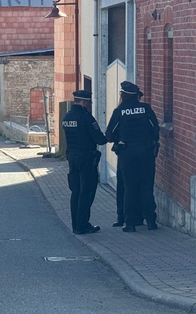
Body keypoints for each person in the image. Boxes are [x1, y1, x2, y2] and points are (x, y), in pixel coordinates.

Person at [105, 81, 160, 233]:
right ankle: (151, 221)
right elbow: (155, 129)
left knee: (129, 187)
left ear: (123, 95)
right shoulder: (146, 109)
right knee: (146, 186)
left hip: (127, 153)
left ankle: (129, 223)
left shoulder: (120, 111)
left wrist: (118, 140)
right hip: (146, 152)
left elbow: (109, 134)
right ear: (136, 96)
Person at [62, 89, 108, 234]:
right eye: (89, 102)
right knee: (86, 192)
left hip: (72, 158)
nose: (90, 105)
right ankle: (82, 225)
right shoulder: (86, 117)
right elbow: (99, 139)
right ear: (84, 102)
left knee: (75, 191)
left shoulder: (67, 117)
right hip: (87, 159)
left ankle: (75, 224)